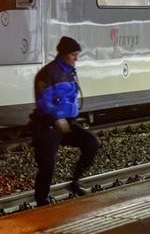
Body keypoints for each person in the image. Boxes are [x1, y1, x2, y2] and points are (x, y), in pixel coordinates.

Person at [30, 36, 98, 206]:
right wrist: (57, 116)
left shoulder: (70, 71)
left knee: (91, 143)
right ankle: (42, 200)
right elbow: (44, 101)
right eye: (74, 55)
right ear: (64, 54)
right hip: (48, 125)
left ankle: (74, 182)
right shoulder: (48, 73)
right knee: (47, 164)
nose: (76, 58)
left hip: (67, 123)